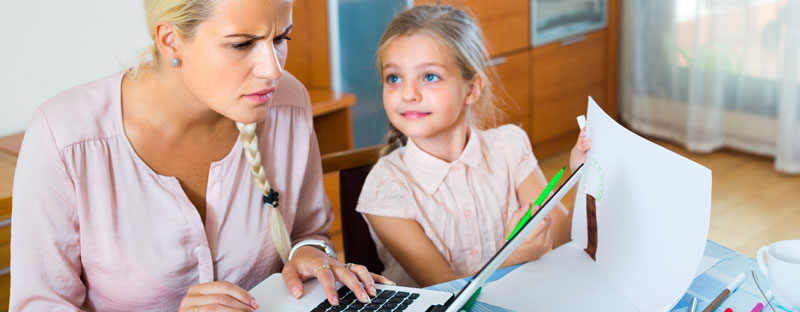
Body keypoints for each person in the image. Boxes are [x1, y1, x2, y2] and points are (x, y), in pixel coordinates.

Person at [10, 0, 389, 310]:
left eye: (280, 38)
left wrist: (312, 254)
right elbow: (40, 304)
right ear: (170, 40)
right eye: (242, 44)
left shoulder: (289, 103)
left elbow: (309, 231)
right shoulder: (65, 138)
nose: (273, 69)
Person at [356, 4, 592, 287]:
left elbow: (562, 235)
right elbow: (445, 290)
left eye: (429, 76)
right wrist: (512, 257)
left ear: (472, 89)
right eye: (394, 78)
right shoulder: (386, 187)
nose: (408, 94)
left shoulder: (508, 148)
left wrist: (580, 175)